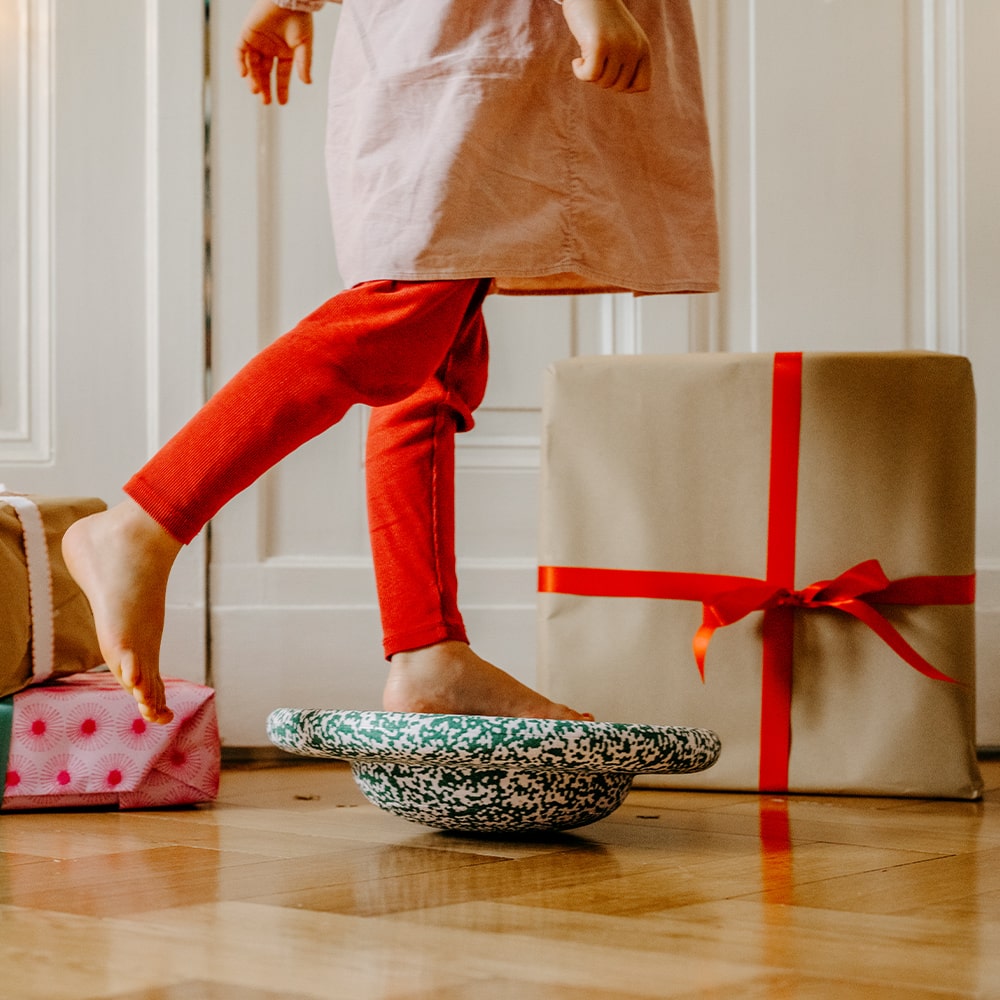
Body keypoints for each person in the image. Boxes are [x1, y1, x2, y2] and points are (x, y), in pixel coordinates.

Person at [63, 0, 718, 725]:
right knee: (405, 313)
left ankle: (426, 650)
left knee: (437, 342)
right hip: (488, 34)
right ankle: (148, 518)